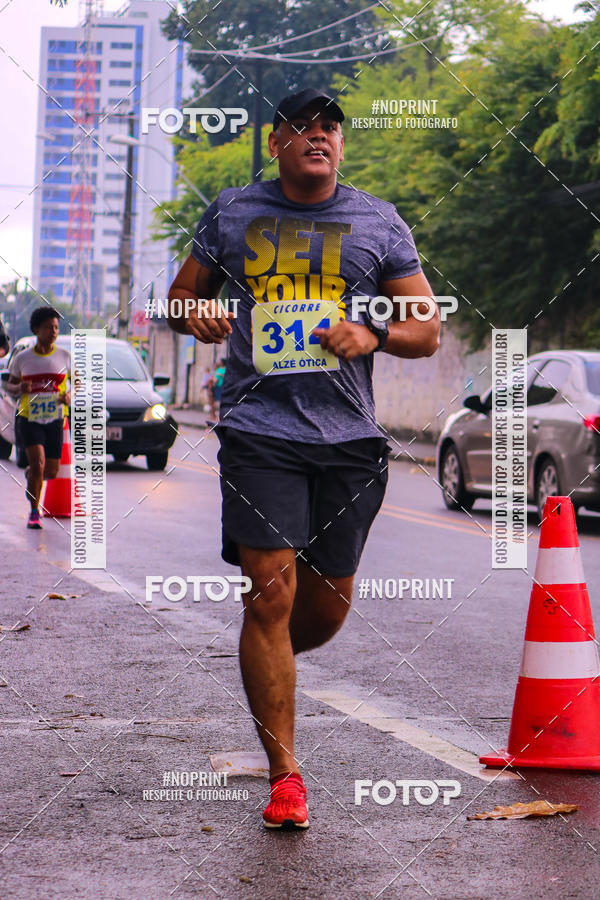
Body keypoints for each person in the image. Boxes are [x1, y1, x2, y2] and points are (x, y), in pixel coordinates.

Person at [167, 88, 440, 829]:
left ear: (341, 145)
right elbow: (182, 295)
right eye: (302, 126)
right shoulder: (232, 213)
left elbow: (428, 328)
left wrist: (372, 334)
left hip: (349, 441)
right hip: (260, 432)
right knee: (272, 594)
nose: (318, 136)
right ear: (275, 142)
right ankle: (286, 775)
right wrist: (199, 313)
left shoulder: (377, 221)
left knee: (320, 612)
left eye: (330, 127)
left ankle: (268, 657)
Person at [7, 307, 70, 528]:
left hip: (55, 419)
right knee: (39, 462)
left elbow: (78, 382)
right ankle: (34, 512)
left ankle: (31, 474)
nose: (53, 331)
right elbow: (10, 385)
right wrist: (19, 387)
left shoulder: (64, 356)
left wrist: (70, 395)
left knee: (50, 471)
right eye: (47, 327)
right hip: (29, 418)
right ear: (36, 330)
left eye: (55, 327)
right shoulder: (23, 358)